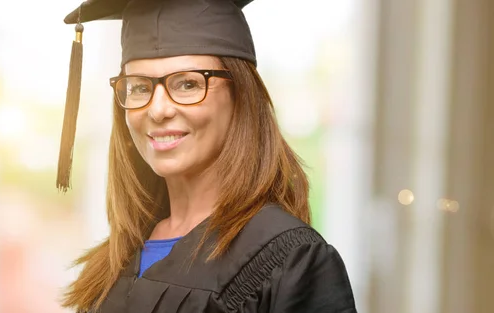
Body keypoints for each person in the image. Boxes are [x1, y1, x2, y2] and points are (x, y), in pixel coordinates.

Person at [56, 0, 357, 312]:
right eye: (139, 87)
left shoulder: (292, 260)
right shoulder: (120, 255)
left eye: (188, 83)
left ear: (240, 96)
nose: (158, 110)